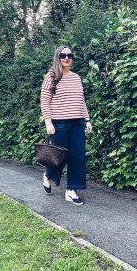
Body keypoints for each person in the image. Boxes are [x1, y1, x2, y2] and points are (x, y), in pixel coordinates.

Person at [40, 45, 92, 205]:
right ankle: (48, 175)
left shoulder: (76, 77)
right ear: (58, 57)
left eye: (70, 55)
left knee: (77, 157)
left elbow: (81, 100)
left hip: (77, 123)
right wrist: (48, 122)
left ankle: (71, 190)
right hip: (59, 123)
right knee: (58, 157)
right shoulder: (52, 76)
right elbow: (44, 100)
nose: (67, 58)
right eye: (63, 55)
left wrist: (87, 120)